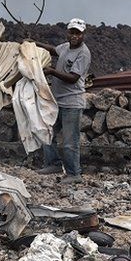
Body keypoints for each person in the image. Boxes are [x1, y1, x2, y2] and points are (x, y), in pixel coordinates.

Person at [36, 18, 91, 184]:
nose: (74, 36)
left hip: (72, 103)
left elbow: (73, 78)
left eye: (78, 33)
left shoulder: (83, 53)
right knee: (47, 133)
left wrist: (52, 71)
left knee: (69, 142)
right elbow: (54, 50)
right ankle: (53, 164)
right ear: (68, 33)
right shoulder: (66, 47)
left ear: (83, 35)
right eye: (71, 32)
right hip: (56, 101)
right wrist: (35, 43)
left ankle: (74, 174)